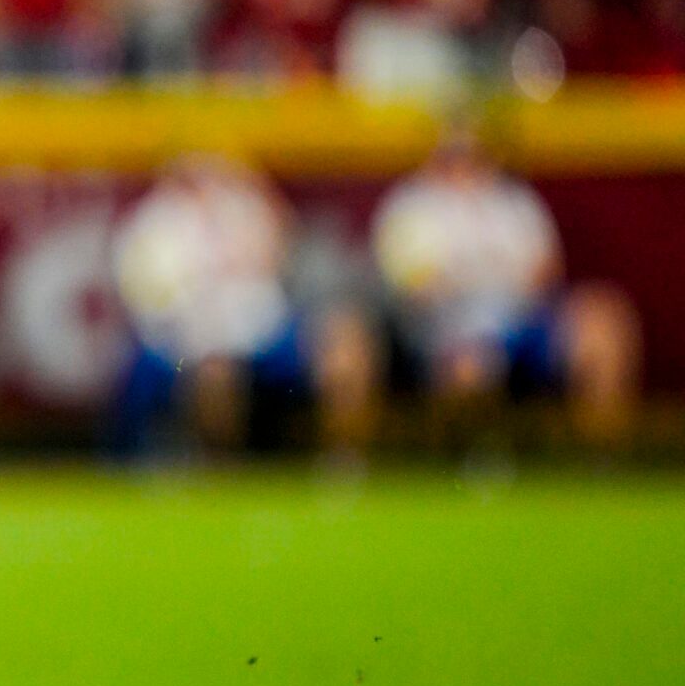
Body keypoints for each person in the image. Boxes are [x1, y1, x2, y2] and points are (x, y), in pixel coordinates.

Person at [373, 131, 640, 452]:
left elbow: (546, 271)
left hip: (521, 321)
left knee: (602, 323)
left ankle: (603, 459)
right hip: (445, 330)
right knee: (471, 366)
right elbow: (414, 289)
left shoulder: (514, 201)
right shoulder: (412, 205)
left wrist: (506, 306)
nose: (465, 159)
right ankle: (470, 467)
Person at [109, 154, 377, 457]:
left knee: (344, 346)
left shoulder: (245, 204)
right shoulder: (154, 223)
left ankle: (343, 461)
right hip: (189, 344)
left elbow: (284, 265)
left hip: (261, 334)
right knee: (215, 375)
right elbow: (150, 306)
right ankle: (215, 468)